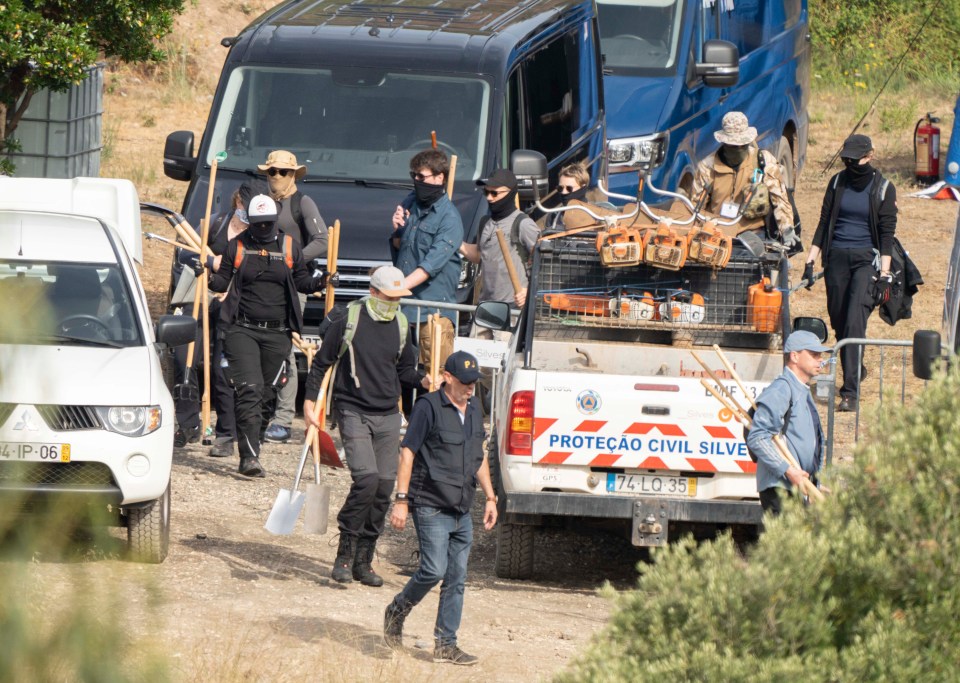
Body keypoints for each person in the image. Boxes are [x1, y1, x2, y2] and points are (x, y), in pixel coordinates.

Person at [302, 266, 430, 586]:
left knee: (385, 484)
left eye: (399, 298)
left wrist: (424, 379)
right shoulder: (350, 319)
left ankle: (364, 560)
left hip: (388, 413)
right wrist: (309, 402)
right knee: (367, 478)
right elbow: (322, 362)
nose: (395, 303)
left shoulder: (400, 324)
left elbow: (404, 372)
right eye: (390, 297)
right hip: (352, 409)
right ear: (374, 292)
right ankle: (345, 552)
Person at [383, 351, 498, 666]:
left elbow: (478, 457)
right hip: (431, 503)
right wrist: (401, 501)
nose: (470, 389)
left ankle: (446, 644)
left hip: (462, 507)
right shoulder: (428, 407)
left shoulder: (475, 408)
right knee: (433, 570)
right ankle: (397, 610)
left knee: (457, 577)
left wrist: (490, 497)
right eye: (464, 382)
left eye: (474, 383)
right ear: (447, 377)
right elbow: (407, 453)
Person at [207, 194, 331, 477]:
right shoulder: (236, 247)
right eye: (258, 224)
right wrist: (207, 273)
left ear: (276, 221)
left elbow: (301, 281)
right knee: (249, 389)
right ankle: (249, 457)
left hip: (278, 333)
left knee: (267, 393)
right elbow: (222, 282)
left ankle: (255, 437)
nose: (263, 229)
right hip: (242, 329)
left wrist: (321, 281)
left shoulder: (289, 246)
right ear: (250, 222)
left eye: (268, 224)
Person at [804, 133, 897, 413]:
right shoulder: (837, 182)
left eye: (854, 159)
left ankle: (850, 393)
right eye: (846, 158)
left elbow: (886, 235)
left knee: (855, 321)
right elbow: (823, 223)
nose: (849, 163)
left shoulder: (883, 188)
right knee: (839, 320)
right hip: (836, 260)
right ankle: (856, 367)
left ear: (870, 156)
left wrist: (884, 274)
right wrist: (810, 261)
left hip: (864, 261)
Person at [172, 180, 263, 454]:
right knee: (184, 357)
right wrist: (206, 269)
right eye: (245, 208)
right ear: (237, 203)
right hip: (200, 297)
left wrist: (231, 287)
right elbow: (186, 254)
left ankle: (226, 434)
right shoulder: (215, 223)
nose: (248, 215)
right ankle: (187, 423)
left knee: (224, 369)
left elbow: (257, 269)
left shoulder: (260, 233)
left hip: (233, 304)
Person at [258, 150, 328, 444]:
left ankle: (284, 419)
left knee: (285, 348)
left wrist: (293, 258)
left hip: (293, 285)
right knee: (261, 346)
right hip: (263, 284)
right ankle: (260, 412)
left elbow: (322, 240)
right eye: (272, 171)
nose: (276, 177)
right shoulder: (262, 203)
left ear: (294, 175)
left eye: (283, 172)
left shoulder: (303, 203)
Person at [390, 148, 463, 371]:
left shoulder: (450, 218)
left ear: (439, 177)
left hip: (433, 313)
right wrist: (396, 231)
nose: (417, 181)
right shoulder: (411, 205)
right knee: (397, 373)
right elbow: (400, 250)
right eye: (414, 176)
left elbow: (429, 266)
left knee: (435, 376)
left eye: (422, 177)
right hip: (404, 309)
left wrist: (396, 288)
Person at [746, 330, 828, 515]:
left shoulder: (801, 390)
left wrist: (813, 482)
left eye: (820, 355)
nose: (820, 360)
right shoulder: (781, 390)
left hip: (795, 486)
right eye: (814, 355)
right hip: (780, 488)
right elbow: (758, 437)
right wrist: (789, 471)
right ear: (795, 356)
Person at [692, 111, 797, 249]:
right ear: (724, 143)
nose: (739, 149)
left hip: (753, 235)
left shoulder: (763, 161)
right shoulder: (708, 167)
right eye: (733, 146)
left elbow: (779, 198)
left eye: (743, 145)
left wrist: (787, 228)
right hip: (717, 235)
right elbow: (696, 207)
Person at [459, 168, 539, 319]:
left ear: (510, 193)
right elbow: (479, 255)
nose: (489, 198)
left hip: (511, 309)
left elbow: (545, 263)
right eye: (486, 192)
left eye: (494, 193)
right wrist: (455, 242)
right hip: (484, 306)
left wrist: (528, 291)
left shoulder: (523, 224)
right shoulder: (485, 222)